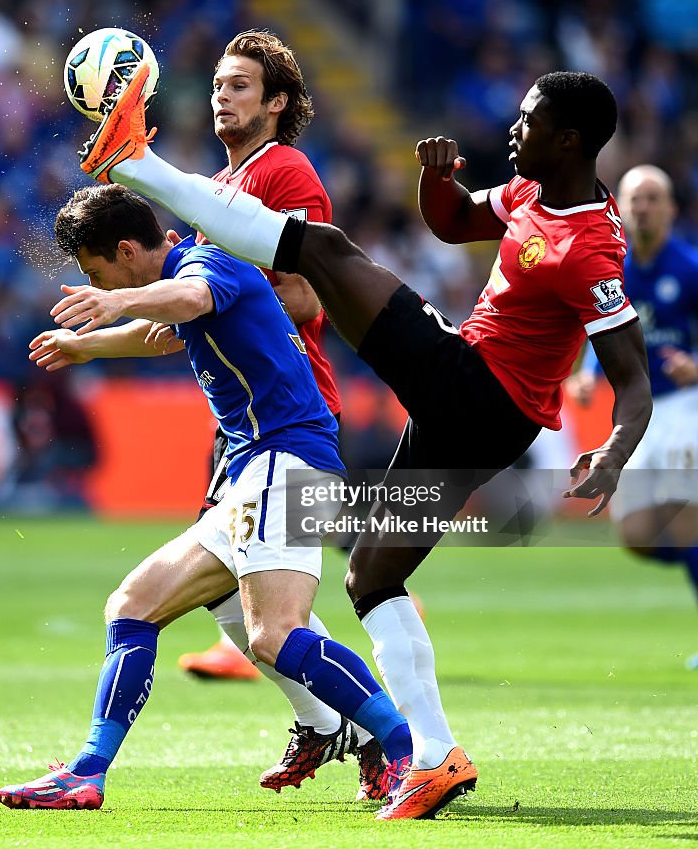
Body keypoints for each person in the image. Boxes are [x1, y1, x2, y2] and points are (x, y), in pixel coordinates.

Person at [78, 64, 652, 819]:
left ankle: (136, 164)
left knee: (323, 247)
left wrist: (614, 451)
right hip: (462, 406)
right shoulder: (530, 193)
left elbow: (632, 380)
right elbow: (451, 221)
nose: (515, 129)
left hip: (483, 394)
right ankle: (434, 755)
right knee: (370, 577)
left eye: (530, 119)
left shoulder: (590, 248)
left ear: (570, 139)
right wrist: (437, 180)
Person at [0, 184, 413, 815]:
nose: (93, 283)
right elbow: (165, 334)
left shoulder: (208, 262)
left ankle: (404, 747)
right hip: (253, 472)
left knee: (274, 636)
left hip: (287, 461)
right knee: (132, 606)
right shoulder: (186, 279)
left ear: (129, 251)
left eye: (95, 271)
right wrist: (89, 344)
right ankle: (86, 773)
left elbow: (186, 299)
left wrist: (115, 301)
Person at [165, 30, 385, 797]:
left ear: (278, 102)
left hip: (297, 413)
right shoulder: (228, 184)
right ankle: (334, 727)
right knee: (231, 598)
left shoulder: (284, 172)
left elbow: (309, 291)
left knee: (272, 617)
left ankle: (388, 737)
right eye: (218, 85)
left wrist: (211, 289)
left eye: (240, 86)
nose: (221, 96)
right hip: (247, 421)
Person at [568, 165, 698, 666]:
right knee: (638, 536)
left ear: (670, 209)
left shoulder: (688, 268)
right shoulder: (612, 266)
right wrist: (586, 373)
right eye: (634, 198)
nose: (641, 207)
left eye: (652, 198)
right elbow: (601, 331)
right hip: (637, 414)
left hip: (685, 409)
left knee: (686, 525)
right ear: (619, 206)